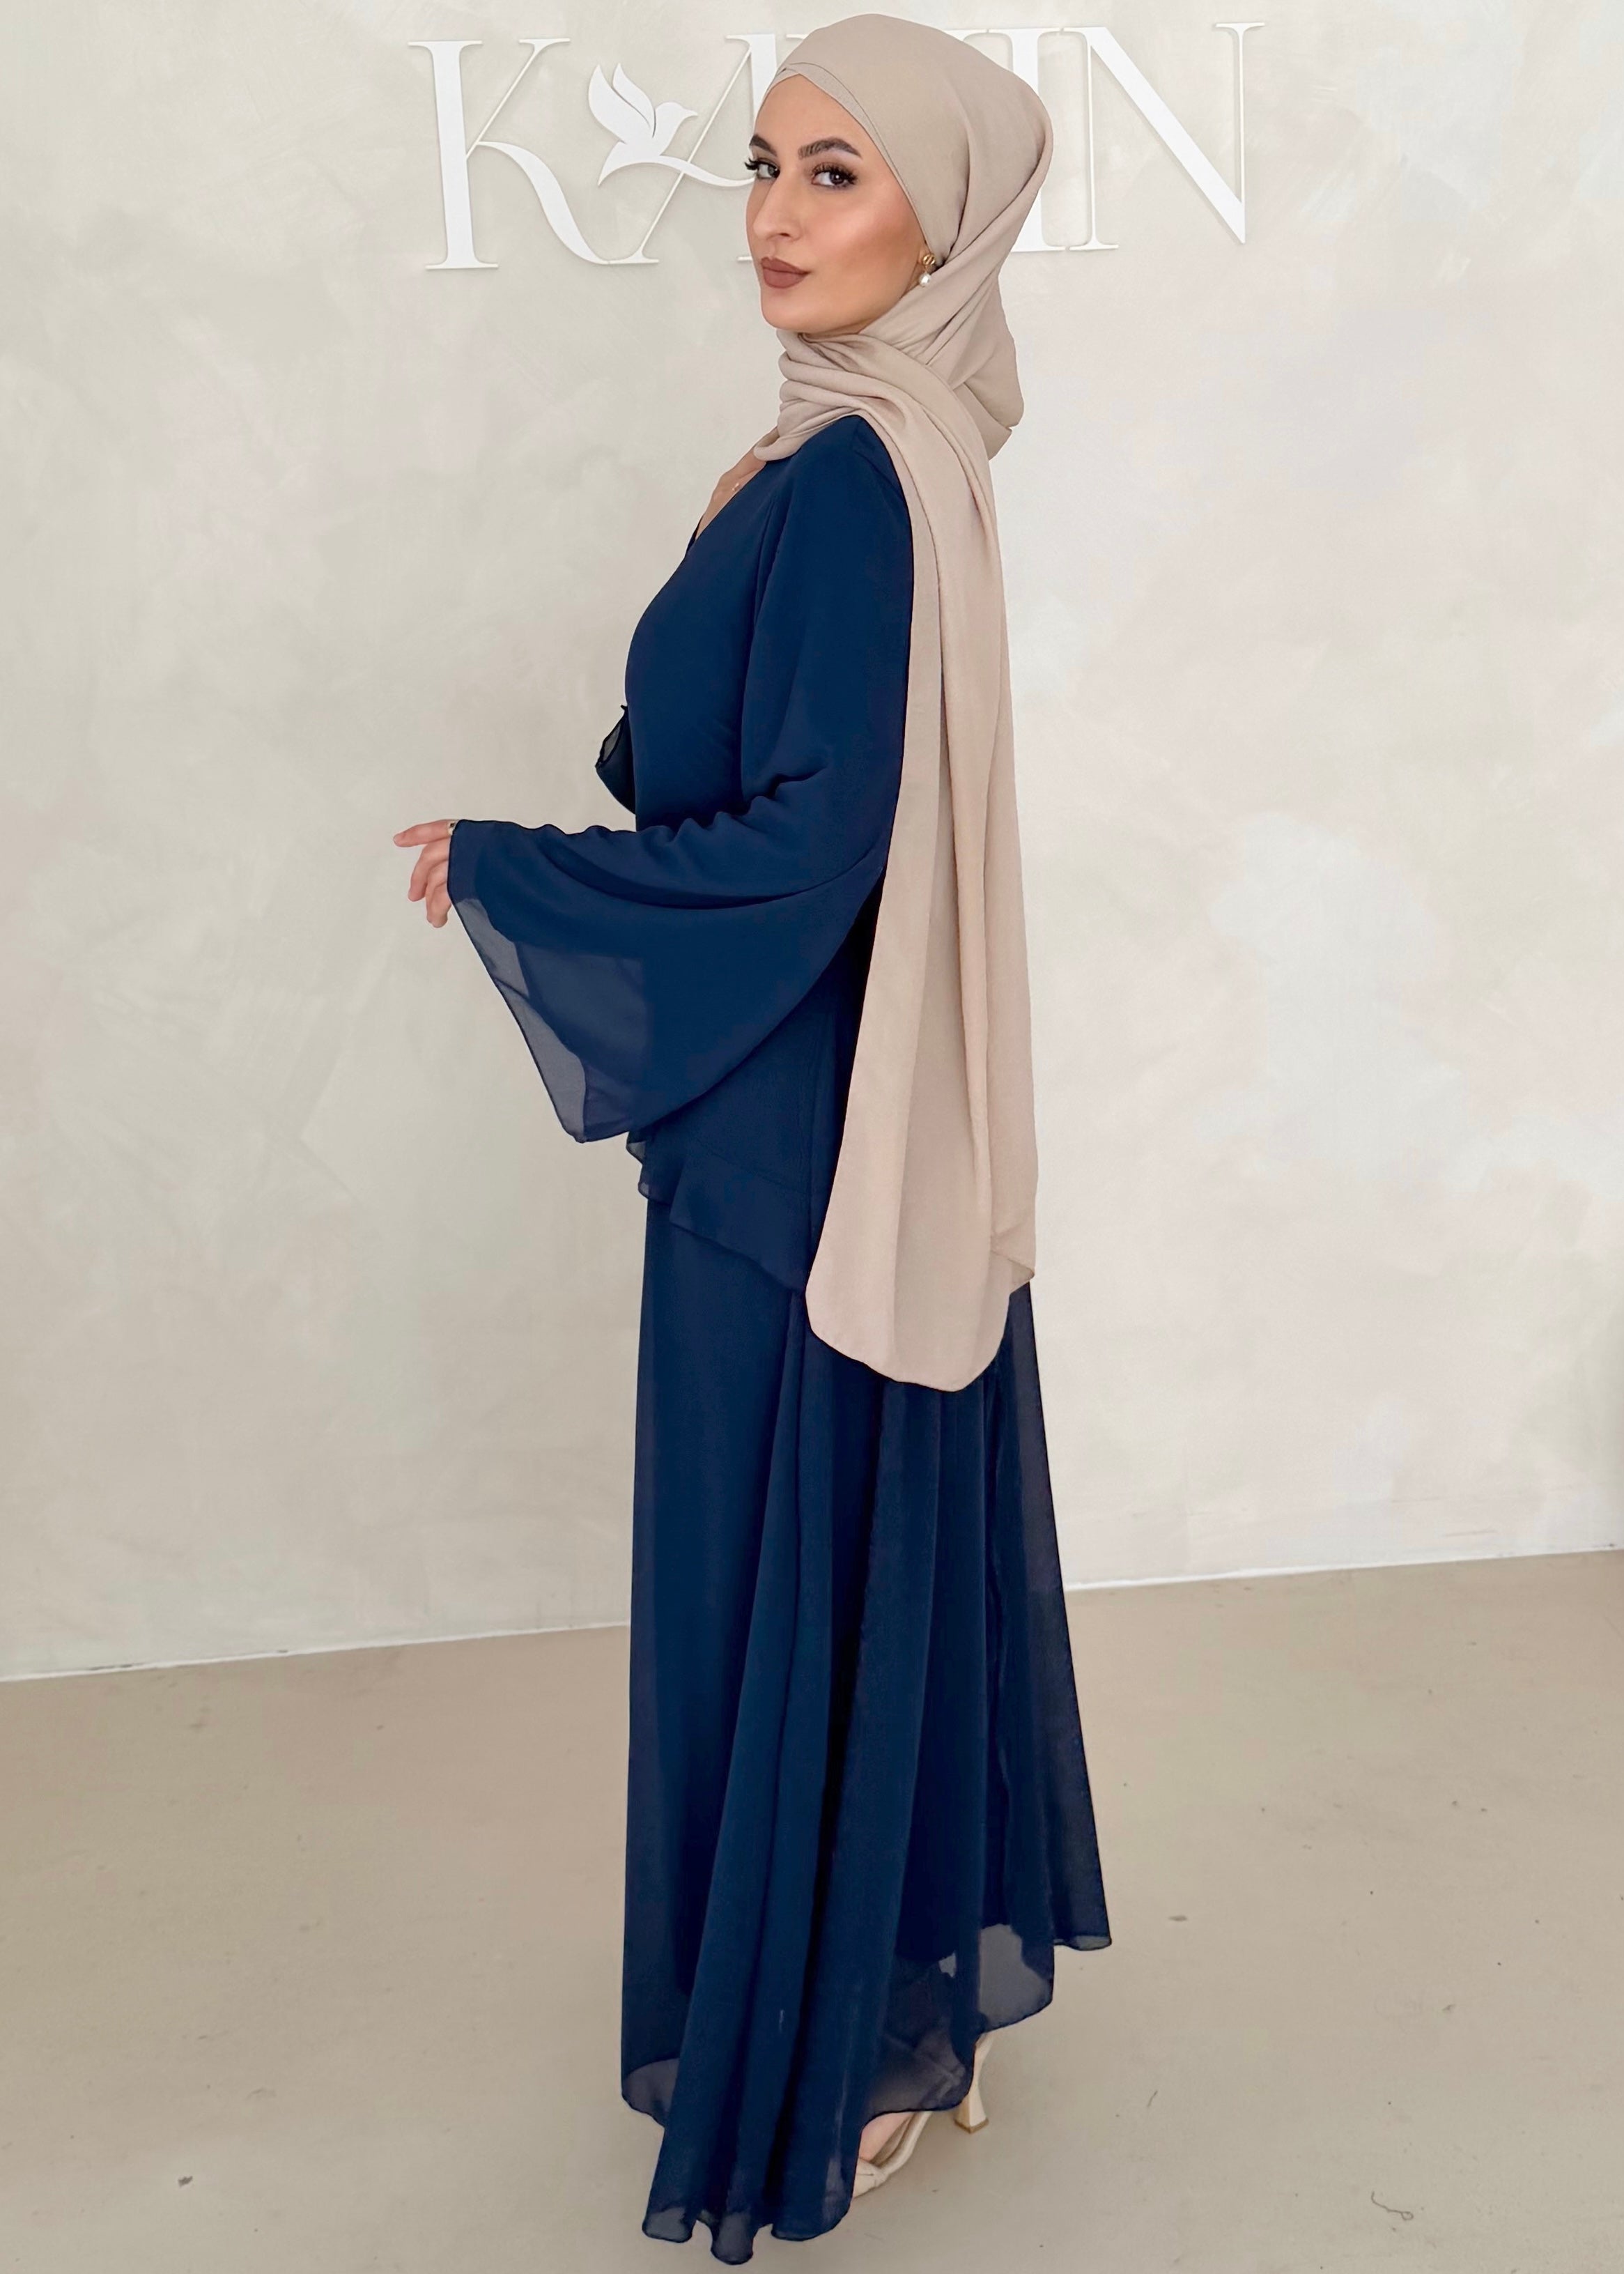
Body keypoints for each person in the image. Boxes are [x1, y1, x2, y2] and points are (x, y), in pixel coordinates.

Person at [394, 14, 1110, 2261]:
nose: (778, 219)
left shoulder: (853, 474)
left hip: (798, 1138)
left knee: (782, 1568)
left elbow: (808, 842)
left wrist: (511, 868)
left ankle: (848, 2045)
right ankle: (901, 2008)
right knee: (845, 1550)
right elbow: (759, 765)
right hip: (826, 1099)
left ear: (940, 217)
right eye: (765, 168)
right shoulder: (878, 445)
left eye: (835, 175)